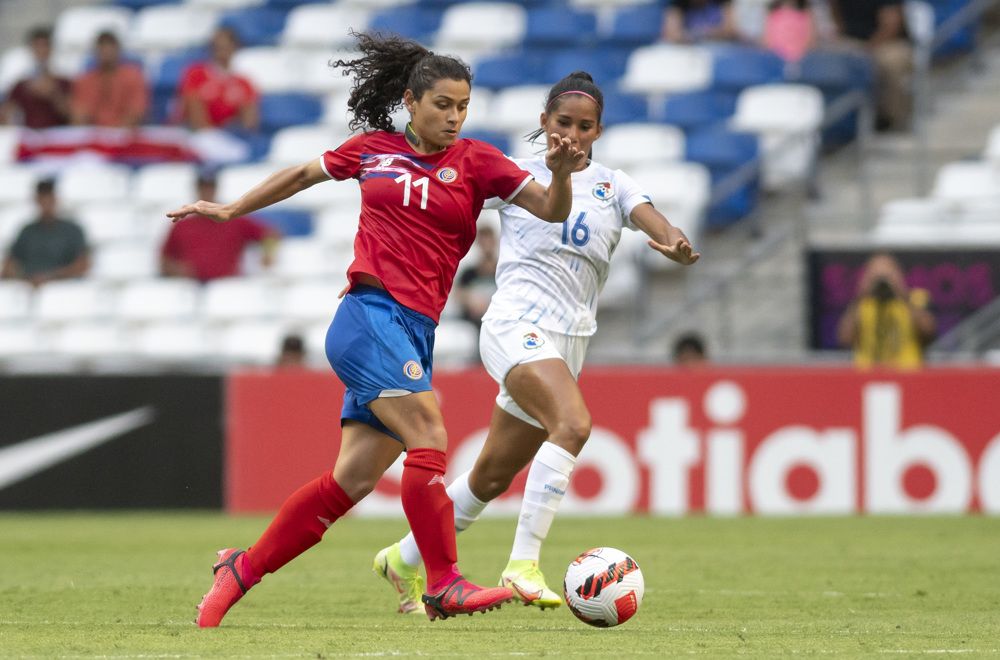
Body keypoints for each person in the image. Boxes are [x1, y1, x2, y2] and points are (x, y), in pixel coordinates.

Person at [166, 30, 584, 627]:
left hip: (414, 331)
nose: (454, 117)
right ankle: (444, 581)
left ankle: (240, 569)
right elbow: (301, 175)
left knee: (353, 480)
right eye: (443, 104)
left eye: (463, 106)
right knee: (429, 431)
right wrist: (231, 209)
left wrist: (561, 175)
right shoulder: (371, 150)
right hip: (368, 315)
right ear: (410, 101)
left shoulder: (478, 161)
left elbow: (551, 208)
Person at [374, 71, 699, 613]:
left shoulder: (614, 185)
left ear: (598, 131)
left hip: (569, 342)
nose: (572, 134)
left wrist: (674, 243)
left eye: (584, 126)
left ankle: (402, 557)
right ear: (544, 121)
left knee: (491, 476)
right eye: (563, 122)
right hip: (514, 325)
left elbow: (658, 224)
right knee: (573, 425)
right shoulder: (515, 174)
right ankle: (523, 563)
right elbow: (441, 195)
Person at [160, 173, 279, 282]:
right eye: (203, 188)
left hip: (226, 286)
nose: (206, 192)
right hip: (191, 287)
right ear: (197, 190)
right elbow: (165, 260)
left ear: (215, 189)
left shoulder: (233, 220)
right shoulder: (182, 225)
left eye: (210, 188)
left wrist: (268, 254)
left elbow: (270, 234)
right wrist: (177, 270)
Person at [836, 252, 935, 369]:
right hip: (868, 373)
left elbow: (929, 332)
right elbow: (844, 339)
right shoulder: (863, 304)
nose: (882, 280)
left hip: (907, 371)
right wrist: (861, 294)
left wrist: (902, 292)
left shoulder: (914, 300)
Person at [827, 0, 912, 131]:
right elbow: (835, 14)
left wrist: (867, 49)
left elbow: (891, 26)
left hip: (887, 42)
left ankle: (893, 120)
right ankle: (841, 124)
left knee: (893, 60)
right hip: (851, 42)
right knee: (825, 58)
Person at [1, 179, 89, 287]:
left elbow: (82, 265)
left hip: (63, 289)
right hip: (28, 287)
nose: (45, 204)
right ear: (37, 200)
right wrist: (26, 279)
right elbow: (9, 265)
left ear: (55, 199)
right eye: (42, 199)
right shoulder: (27, 231)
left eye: (48, 199)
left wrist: (49, 278)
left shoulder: (72, 230)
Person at [175, 27, 259, 132]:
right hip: (195, 133)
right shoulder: (196, 74)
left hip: (225, 135)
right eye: (217, 47)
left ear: (235, 48)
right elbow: (194, 113)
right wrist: (210, 134)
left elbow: (249, 123)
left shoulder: (243, 83)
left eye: (225, 47)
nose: (221, 51)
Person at [70, 31, 148, 128]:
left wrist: (115, 133)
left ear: (118, 49)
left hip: (124, 134)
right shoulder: (85, 80)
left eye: (110, 46)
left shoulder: (133, 77)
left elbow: (136, 112)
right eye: (102, 46)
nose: (106, 51)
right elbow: (79, 114)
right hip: (93, 134)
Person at [0, 27, 72, 129]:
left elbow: (71, 114)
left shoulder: (62, 81)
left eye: (45, 45)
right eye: (37, 46)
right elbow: (6, 112)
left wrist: (53, 93)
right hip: (29, 135)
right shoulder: (22, 84)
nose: (42, 50)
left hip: (57, 134)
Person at [454, 224, 499, 331]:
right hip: (472, 324)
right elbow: (457, 295)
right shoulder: (469, 273)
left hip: (498, 321)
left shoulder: (503, 272)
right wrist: (471, 301)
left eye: (489, 240)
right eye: (484, 241)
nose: (487, 245)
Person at [662, 0, 741, 44]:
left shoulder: (722, 2)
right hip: (689, 51)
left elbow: (731, 29)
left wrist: (698, 34)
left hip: (721, 48)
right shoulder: (678, 4)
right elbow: (671, 34)